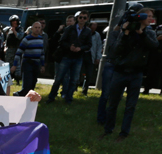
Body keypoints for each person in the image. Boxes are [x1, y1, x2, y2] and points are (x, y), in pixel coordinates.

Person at [101, 8, 158, 142]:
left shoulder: (149, 32)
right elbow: (116, 49)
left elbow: (154, 46)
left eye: (151, 16)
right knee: (113, 102)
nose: (150, 18)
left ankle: (124, 133)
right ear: (140, 17)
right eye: (148, 16)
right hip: (120, 72)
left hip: (136, 73)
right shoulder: (127, 31)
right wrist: (125, 33)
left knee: (130, 105)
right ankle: (108, 130)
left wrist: (141, 33)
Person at [46, 11, 92, 104]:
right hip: (66, 56)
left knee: (74, 80)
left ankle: (69, 99)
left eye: (84, 18)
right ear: (77, 18)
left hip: (78, 58)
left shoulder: (88, 31)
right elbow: (62, 41)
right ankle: (51, 97)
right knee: (59, 78)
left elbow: (89, 44)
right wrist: (69, 46)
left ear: (87, 19)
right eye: (80, 17)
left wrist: (80, 48)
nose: (82, 19)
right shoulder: (70, 29)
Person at [11, 22, 45, 96]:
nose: (37, 29)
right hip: (28, 63)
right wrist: (15, 65)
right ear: (32, 29)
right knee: (27, 84)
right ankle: (19, 95)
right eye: (35, 27)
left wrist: (42, 65)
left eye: (39, 28)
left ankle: (27, 98)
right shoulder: (26, 39)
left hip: (36, 64)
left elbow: (42, 53)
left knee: (33, 83)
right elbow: (18, 52)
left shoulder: (41, 39)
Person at [81, 21, 102, 95]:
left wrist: (98, 57)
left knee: (89, 74)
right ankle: (74, 87)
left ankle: (85, 89)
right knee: (79, 72)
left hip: (91, 56)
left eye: (96, 25)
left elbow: (99, 46)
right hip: (82, 54)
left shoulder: (97, 35)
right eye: (94, 25)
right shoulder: (84, 32)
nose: (95, 27)